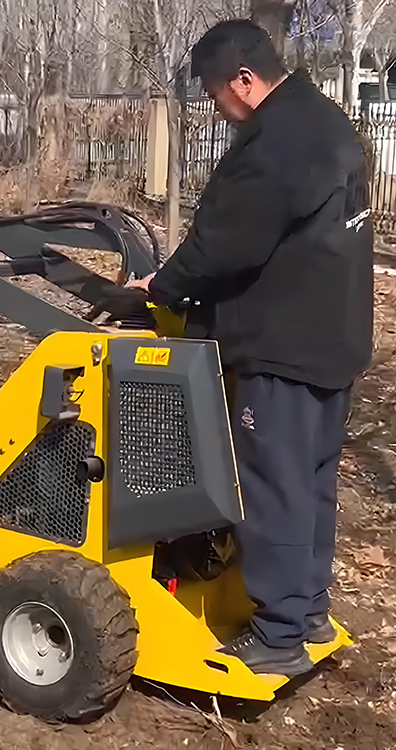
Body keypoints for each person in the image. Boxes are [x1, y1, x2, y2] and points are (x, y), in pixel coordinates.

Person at [127, 20, 373, 676]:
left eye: (216, 96)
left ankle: (279, 635)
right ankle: (308, 607)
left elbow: (228, 243)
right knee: (311, 481)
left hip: (283, 341)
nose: (218, 110)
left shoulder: (276, 140)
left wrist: (165, 287)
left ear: (244, 79)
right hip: (333, 333)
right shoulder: (324, 119)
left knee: (271, 486)